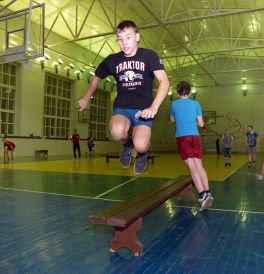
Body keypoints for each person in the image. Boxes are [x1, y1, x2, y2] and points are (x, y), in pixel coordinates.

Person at [78, 20, 169, 174]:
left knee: (140, 144)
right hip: (123, 108)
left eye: (128, 37)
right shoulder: (113, 60)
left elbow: (164, 81)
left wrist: (154, 107)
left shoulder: (149, 56)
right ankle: (126, 145)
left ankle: (143, 153)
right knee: (116, 131)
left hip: (143, 110)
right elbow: (96, 78)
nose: (124, 43)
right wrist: (86, 98)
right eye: (120, 39)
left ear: (137, 37)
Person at [170, 81, 213, 211]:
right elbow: (201, 124)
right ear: (189, 92)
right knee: (199, 165)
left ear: (178, 92)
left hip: (183, 137)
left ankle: (202, 195)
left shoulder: (174, 104)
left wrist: (180, 117)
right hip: (195, 137)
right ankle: (208, 192)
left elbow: (172, 119)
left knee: (191, 166)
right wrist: (196, 120)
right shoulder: (196, 103)